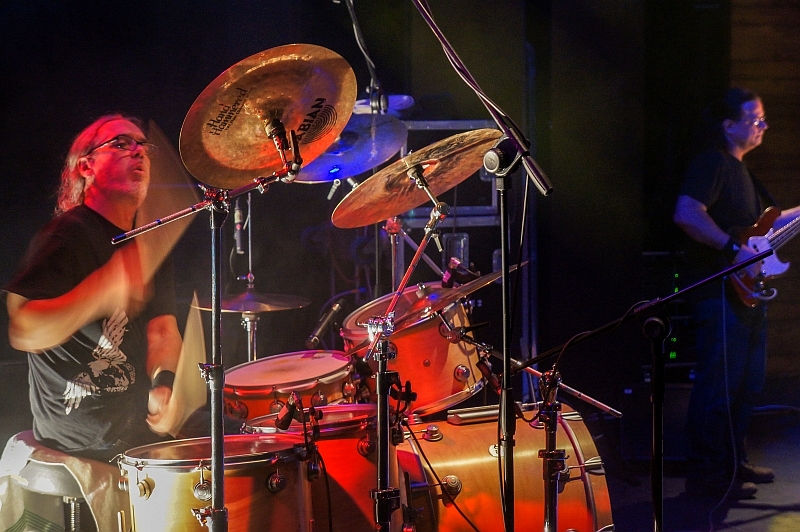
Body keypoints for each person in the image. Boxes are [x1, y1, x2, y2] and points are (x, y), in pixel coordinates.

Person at [4, 114, 184, 462]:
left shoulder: (148, 239)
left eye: (142, 146)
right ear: (86, 167)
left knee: (245, 443)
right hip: (81, 436)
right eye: (121, 143)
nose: (138, 151)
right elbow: (24, 330)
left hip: (136, 422)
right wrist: (101, 290)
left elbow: (162, 331)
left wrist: (164, 383)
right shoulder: (65, 235)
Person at [673, 88, 800, 499]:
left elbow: (763, 226)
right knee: (719, 386)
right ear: (729, 125)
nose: (763, 125)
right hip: (718, 290)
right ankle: (707, 476)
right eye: (755, 119)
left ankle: (732, 463)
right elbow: (687, 212)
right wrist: (732, 249)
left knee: (746, 385)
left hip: (745, 293)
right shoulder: (712, 162)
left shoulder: (742, 172)